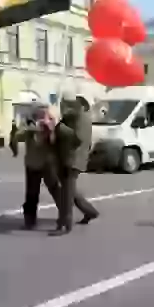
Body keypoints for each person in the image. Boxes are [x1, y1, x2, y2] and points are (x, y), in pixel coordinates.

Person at [49, 94, 99, 236]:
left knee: (67, 194)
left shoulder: (83, 119)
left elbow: (78, 139)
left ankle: (65, 225)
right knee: (70, 191)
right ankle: (90, 212)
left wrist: (60, 127)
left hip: (74, 160)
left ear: (81, 106)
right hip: (65, 158)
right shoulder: (72, 117)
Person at [14, 106, 62, 229]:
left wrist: (50, 130)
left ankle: (65, 214)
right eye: (41, 115)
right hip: (32, 164)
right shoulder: (29, 125)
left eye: (46, 115)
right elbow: (17, 136)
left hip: (47, 164)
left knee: (56, 190)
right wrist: (31, 129)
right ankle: (29, 220)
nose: (44, 118)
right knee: (31, 194)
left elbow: (56, 142)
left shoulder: (52, 125)